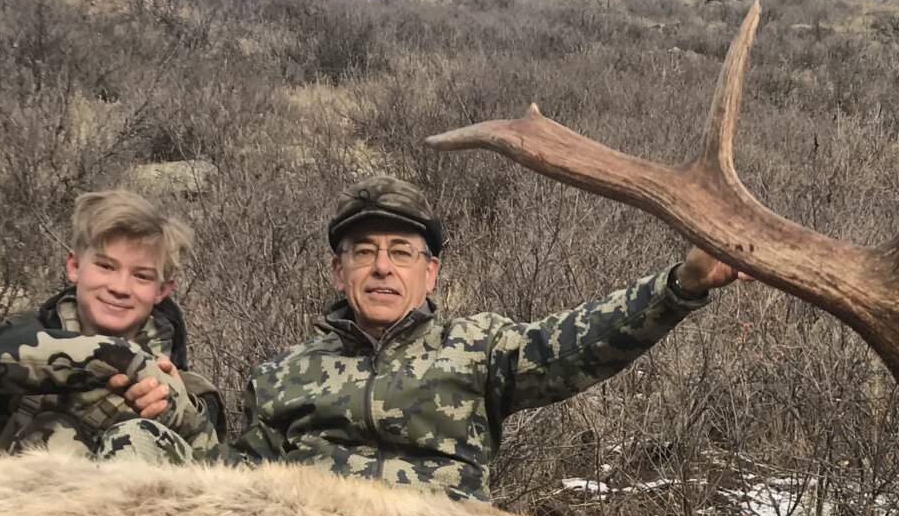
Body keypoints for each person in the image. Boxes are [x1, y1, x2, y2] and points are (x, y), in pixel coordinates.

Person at [227, 174, 737, 499]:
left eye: (401, 252)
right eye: (364, 251)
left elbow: (576, 345)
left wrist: (678, 287)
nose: (382, 267)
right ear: (339, 273)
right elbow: (237, 488)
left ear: (430, 273)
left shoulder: (475, 347)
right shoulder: (281, 375)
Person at [0, 189, 224, 469]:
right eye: (105, 266)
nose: (119, 288)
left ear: (162, 289)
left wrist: (179, 414)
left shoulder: (186, 389)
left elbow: (217, 481)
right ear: (75, 266)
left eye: (141, 276)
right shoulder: (23, 336)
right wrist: (107, 357)